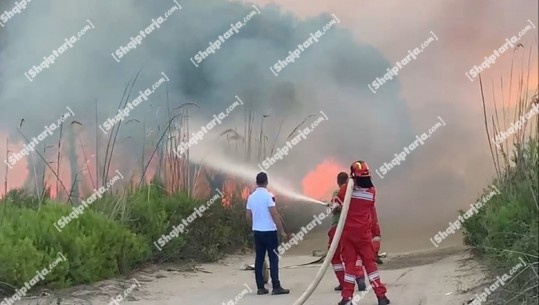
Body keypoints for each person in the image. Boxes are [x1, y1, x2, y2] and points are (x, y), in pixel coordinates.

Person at [335, 161, 390, 305]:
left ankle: (347, 298)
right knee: (370, 265)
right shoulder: (372, 191)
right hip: (364, 235)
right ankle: (381, 297)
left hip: (348, 235)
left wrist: (334, 204)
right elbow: (370, 209)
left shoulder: (346, 190)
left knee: (350, 266)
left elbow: (337, 205)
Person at [246, 172, 290, 295]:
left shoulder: (251, 197)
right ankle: (276, 287)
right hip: (270, 232)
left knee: (259, 259)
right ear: (266, 182)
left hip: (257, 232)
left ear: (256, 182)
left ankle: (260, 287)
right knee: (273, 259)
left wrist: (254, 226)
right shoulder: (269, 196)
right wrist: (282, 230)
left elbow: (248, 216)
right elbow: (274, 214)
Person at [328, 172, 367, 292]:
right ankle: (360, 278)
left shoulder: (337, 193)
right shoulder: (356, 193)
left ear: (338, 182)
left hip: (337, 227)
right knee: (353, 255)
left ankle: (344, 283)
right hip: (352, 227)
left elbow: (334, 209)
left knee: (335, 256)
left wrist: (332, 206)